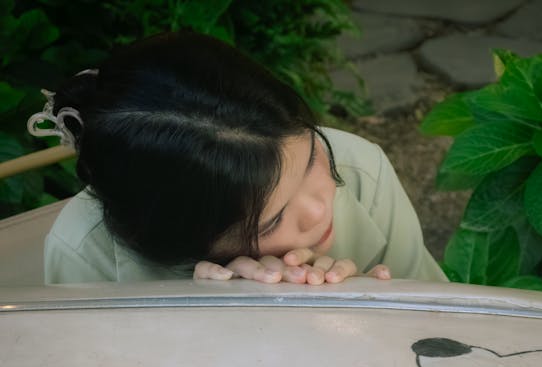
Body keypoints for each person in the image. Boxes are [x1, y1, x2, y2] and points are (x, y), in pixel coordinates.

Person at [33, 32, 447, 285]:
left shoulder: (359, 169)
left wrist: (368, 304)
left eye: (310, 158)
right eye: (272, 219)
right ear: (185, 239)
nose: (319, 206)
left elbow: (442, 327)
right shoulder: (84, 255)